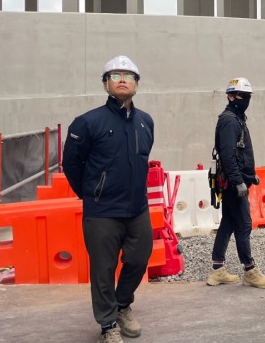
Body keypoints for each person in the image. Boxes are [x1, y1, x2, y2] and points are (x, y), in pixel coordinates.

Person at [62, 55, 154, 343]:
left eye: (129, 75)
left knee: (139, 259)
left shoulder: (145, 122)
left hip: (137, 208)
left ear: (137, 85)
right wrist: (92, 194)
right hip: (102, 212)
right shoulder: (87, 123)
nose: (123, 79)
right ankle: (107, 325)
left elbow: (142, 159)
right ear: (106, 85)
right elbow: (72, 165)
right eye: (115, 75)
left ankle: (122, 304)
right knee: (102, 269)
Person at [206, 77, 265, 289]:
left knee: (228, 222)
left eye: (247, 96)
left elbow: (239, 151)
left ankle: (217, 269)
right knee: (244, 224)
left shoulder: (236, 118)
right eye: (240, 96)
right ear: (230, 96)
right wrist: (238, 182)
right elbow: (228, 156)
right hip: (232, 184)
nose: (244, 99)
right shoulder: (229, 120)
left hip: (235, 181)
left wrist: (250, 175)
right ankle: (250, 270)